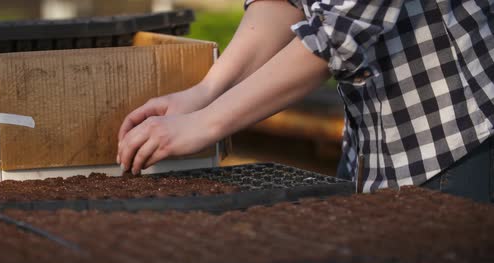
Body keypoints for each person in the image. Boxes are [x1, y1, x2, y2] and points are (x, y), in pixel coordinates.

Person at [116, 0, 494, 203]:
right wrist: (204, 92)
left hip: (456, 137)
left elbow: (336, 33)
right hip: (370, 147)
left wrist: (207, 123)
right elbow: (286, 2)